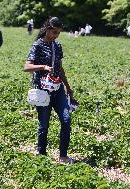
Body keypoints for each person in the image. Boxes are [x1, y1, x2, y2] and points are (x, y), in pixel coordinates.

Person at [24, 17, 76, 163]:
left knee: (66, 119)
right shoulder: (37, 45)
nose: (56, 35)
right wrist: (43, 67)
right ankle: (42, 155)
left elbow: (60, 68)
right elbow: (27, 67)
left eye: (58, 33)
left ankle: (63, 156)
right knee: (44, 124)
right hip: (42, 90)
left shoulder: (57, 46)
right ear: (47, 29)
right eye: (54, 32)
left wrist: (68, 88)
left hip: (57, 89)